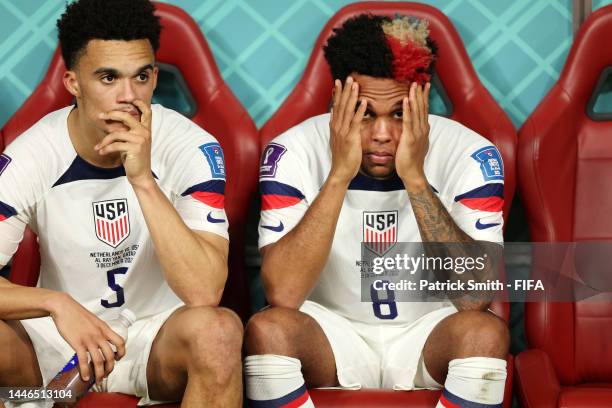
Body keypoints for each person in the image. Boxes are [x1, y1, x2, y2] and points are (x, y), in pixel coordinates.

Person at [245, 14, 509, 408]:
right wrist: (338, 175)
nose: (382, 134)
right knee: (267, 330)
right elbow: (283, 292)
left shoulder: (471, 153)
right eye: (365, 112)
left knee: (485, 334)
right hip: (333, 333)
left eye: (400, 113)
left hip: (427, 333)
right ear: (337, 100)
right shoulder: (292, 151)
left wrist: (416, 179)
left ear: (423, 100)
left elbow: (475, 297)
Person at [0, 0, 242, 407]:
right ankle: (29, 399)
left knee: (217, 333)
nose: (128, 97)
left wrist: (143, 180)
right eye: (108, 78)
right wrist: (53, 303)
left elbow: (205, 292)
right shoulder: (31, 156)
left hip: (156, 341)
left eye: (142, 77)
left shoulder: (191, 146)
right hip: (59, 342)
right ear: (73, 84)